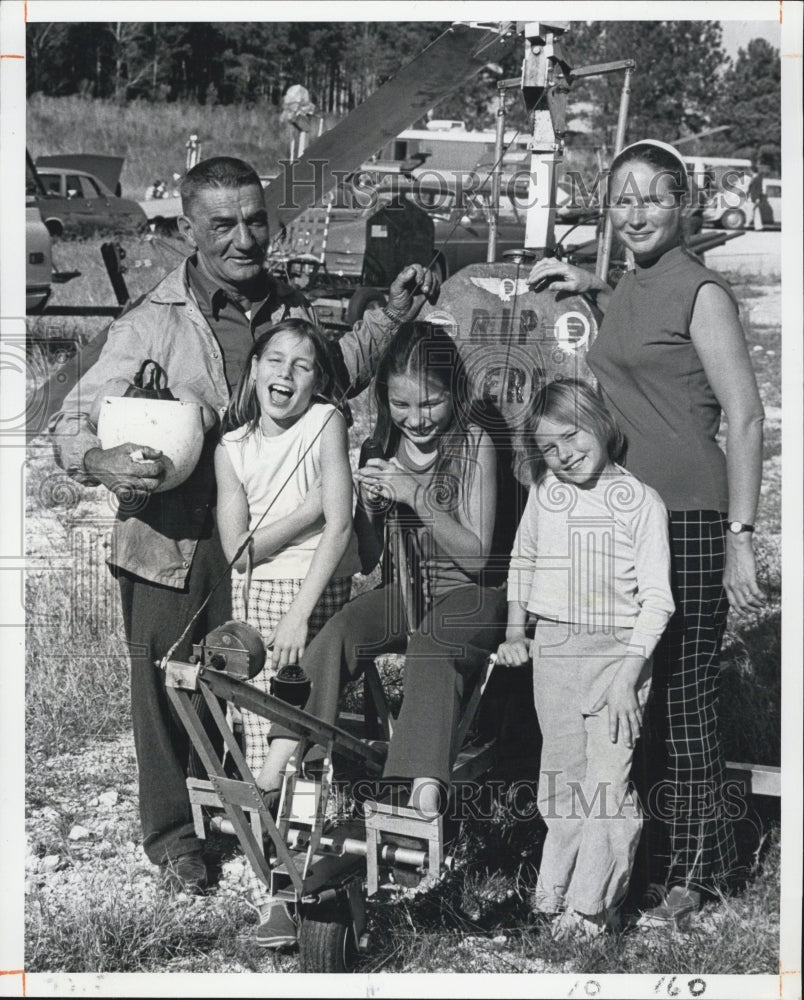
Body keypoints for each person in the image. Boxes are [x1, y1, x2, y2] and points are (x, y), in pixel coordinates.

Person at [48, 156, 436, 896]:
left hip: (266, 545)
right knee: (167, 691)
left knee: (251, 682)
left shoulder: (288, 307)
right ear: (189, 228)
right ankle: (175, 839)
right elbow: (74, 420)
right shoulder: (150, 323)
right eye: (222, 224)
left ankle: (248, 810)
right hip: (168, 543)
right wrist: (100, 461)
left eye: (255, 219)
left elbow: (336, 369)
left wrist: (388, 311)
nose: (243, 237)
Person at [526, 139, 765, 926]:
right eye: (621, 199)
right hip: (624, 517)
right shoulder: (628, 283)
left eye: (652, 198)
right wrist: (589, 287)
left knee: (686, 694)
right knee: (637, 693)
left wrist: (739, 536)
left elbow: (745, 414)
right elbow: (626, 350)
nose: (634, 213)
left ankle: (704, 866)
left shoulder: (703, 293)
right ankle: (651, 850)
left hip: (690, 516)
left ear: (683, 205)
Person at [258, 320, 510, 818]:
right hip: (410, 593)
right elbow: (370, 558)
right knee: (338, 631)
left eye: (430, 403)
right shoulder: (380, 448)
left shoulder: (474, 442)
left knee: (434, 641)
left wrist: (413, 493)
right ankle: (285, 757)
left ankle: (417, 792)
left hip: (475, 595)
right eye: (401, 405)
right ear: (383, 401)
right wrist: (370, 509)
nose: (416, 419)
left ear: (454, 392)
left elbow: (478, 554)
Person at [497, 378, 674, 940]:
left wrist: (627, 681)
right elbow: (522, 559)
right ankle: (555, 894)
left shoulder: (641, 503)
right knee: (562, 778)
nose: (564, 454)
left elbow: (658, 601)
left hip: (617, 660)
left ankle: (593, 910)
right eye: (549, 447)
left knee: (607, 786)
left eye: (571, 436)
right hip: (553, 648)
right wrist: (514, 630)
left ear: (599, 421)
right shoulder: (547, 491)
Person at [215, 317, 361, 941]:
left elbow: (343, 523)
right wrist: (308, 508)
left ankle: (289, 878)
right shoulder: (232, 448)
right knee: (259, 747)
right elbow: (237, 553)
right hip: (253, 599)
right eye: (275, 360)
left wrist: (303, 609)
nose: (286, 374)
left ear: (317, 382)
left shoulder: (324, 423)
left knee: (294, 746)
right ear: (254, 370)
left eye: (302, 367)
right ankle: (278, 879)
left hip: (314, 591)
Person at [747, 163, 768, 231]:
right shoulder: (754, 178)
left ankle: (747, 223)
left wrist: (757, 198)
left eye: (750, 170)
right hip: (753, 197)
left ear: (752, 171)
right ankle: (758, 226)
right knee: (756, 212)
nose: (749, 172)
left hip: (755, 198)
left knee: (750, 210)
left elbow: (759, 189)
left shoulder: (758, 179)